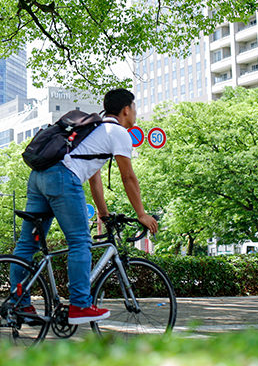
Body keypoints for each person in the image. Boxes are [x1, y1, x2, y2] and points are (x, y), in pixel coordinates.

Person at [10, 88, 158, 325]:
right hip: (62, 179)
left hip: (38, 177)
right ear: (126, 109)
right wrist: (141, 213)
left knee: (28, 244)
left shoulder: (95, 128)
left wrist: (103, 212)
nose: (135, 113)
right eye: (135, 108)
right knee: (80, 241)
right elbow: (128, 177)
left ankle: (18, 303)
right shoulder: (118, 132)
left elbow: (94, 177)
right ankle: (80, 304)